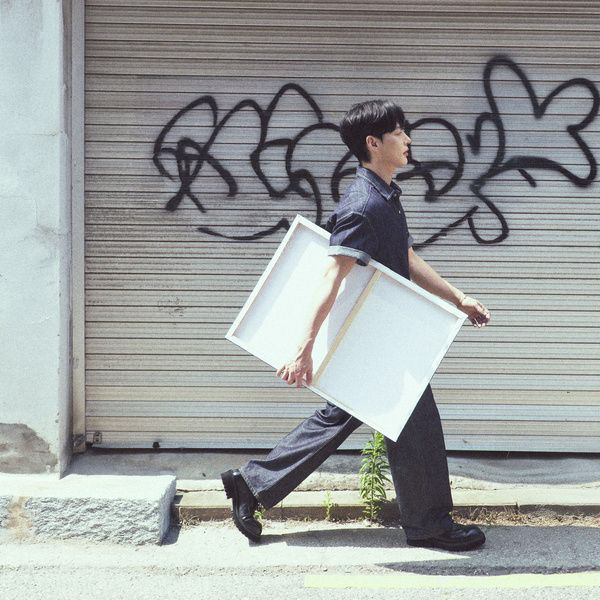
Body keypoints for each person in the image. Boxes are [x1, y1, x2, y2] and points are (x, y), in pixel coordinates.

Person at [221, 99, 491, 551]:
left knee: (347, 416)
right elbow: (332, 276)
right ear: (373, 143)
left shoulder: (384, 196)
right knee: (415, 424)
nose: (407, 139)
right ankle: (428, 524)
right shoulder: (363, 205)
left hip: (384, 334)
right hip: (374, 337)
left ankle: (252, 484)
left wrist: (457, 298)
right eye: (399, 132)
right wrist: (304, 349)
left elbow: (405, 258)